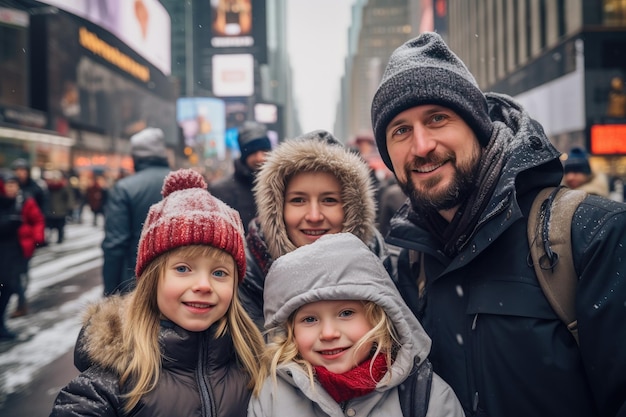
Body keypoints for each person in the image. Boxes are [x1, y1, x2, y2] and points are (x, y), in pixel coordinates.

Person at [370, 31, 626, 417]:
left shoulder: (590, 234)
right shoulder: (408, 265)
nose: (421, 146)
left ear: (478, 127)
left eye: (438, 118)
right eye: (401, 130)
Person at [50, 168, 265, 416]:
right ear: (153, 280)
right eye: (183, 269)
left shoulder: (252, 363)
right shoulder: (112, 380)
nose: (204, 285)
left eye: (219, 273)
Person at [249, 233, 464, 417]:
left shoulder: (425, 396)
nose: (329, 333)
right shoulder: (273, 396)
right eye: (310, 319)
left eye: (346, 313)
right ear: (291, 332)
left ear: (377, 317)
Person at [239, 130, 391, 330]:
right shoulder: (245, 275)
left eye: (329, 200)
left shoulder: (383, 264)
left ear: (353, 209)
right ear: (276, 207)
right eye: (298, 200)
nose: (314, 216)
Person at [101, 127, 171, 296]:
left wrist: (110, 291)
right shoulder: (182, 182)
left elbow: (115, 244)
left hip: (136, 280)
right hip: (177, 277)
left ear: (136, 157)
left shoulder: (125, 188)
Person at [0, 173, 45, 338]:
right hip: (4, 248)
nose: (12, 188)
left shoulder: (25, 200)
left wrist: (36, 238)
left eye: (14, 185)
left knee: (11, 284)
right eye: (8, 184)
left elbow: (37, 219)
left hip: (18, 249)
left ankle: (9, 316)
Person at [209, 120, 272, 233]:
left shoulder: (281, 185)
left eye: (264, 151)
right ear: (244, 155)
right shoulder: (220, 190)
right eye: (253, 152)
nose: (259, 158)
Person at [42, 169, 75, 244]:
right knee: (49, 226)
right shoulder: (49, 187)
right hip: (50, 210)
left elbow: (69, 198)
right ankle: (49, 239)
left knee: (60, 227)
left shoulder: (63, 187)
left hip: (61, 211)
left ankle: (60, 238)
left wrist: (69, 207)